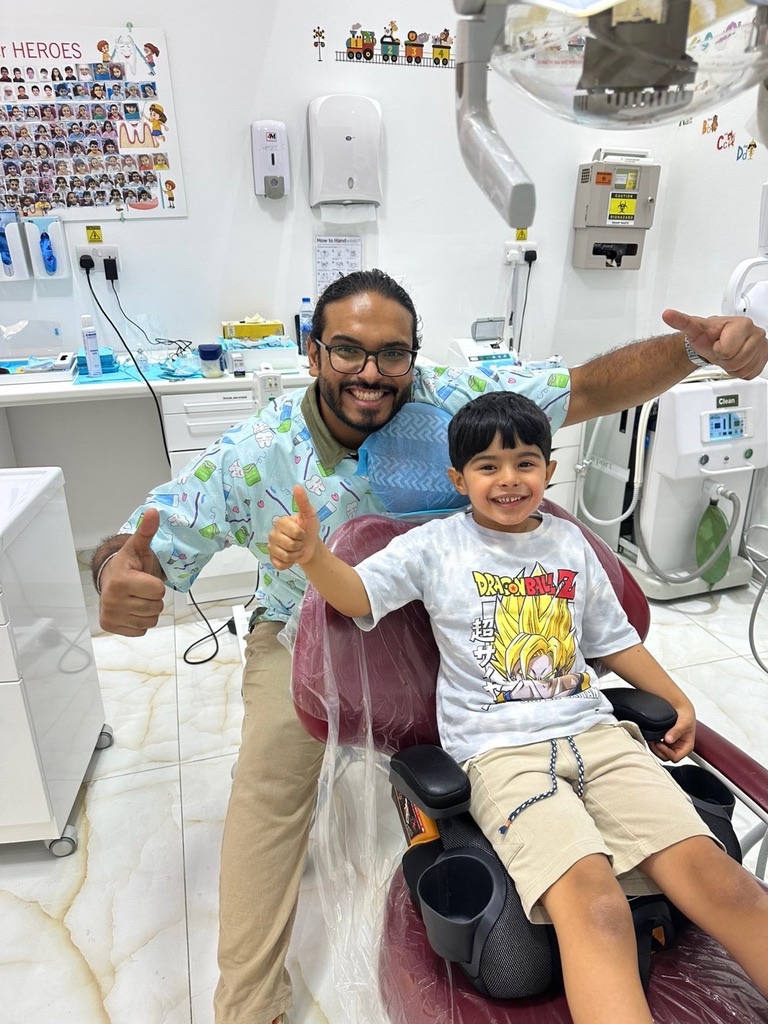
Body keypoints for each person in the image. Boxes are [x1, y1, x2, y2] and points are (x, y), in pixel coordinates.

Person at [91, 269, 768, 1024]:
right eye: (347, 350)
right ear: (312, 353)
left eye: (392, 353)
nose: (371, 372)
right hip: (316, 625)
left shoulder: (459, 402)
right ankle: (248, 1007)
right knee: (268, 793)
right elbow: (152, 534)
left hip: (483, 628)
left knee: (683, 870)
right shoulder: (260, 450)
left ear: (414, 354)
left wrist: (695, 351)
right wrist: (118, 571)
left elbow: (591, 386)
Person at [268, 389, 768, 1024]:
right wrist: (315, 558)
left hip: (598, 736)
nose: (509, 479)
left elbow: (613, 641)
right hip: (499, 753)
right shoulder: (435, 546)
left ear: (549, 470)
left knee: (722, 882)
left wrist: (676, 697)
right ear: (459, 479)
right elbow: (358, 596)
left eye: (525, 462)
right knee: (596, 907)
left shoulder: (570, 543)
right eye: (488, 466)